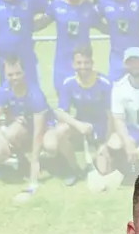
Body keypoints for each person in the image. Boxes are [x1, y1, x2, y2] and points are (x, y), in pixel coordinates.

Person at [48, 46, 118, 188]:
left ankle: (105, 157)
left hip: (101, 128)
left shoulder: (104, 83)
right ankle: (75, 170)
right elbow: (60, 112)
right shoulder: (69, 83)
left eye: (86, 63)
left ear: (92, 63)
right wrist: (78, 124)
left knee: (104, 170)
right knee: (60, 132)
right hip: (80, 126)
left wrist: (106, 142)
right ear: (73, 64)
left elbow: (111, 115)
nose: (83, 67)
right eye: (79, 63)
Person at [0, 54, 48, 192]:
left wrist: (35, 161)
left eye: (18, 73)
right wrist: (1, 138)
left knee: (51, 144)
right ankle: (19, 160)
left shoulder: (35, 94)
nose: (14, 78)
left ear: (24, 72)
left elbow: (39, 132)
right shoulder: (4, 89)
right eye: (10, 74)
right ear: (4, 74)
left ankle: (50, 163)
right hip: (24, 127)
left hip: (43, 128)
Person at [48, 0, 103, 91]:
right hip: (62, 65)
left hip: (83, 65)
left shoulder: (88, 7)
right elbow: (40, 23)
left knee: (85, 103)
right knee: (63, 105)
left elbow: (102, 26)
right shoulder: (56, 5)